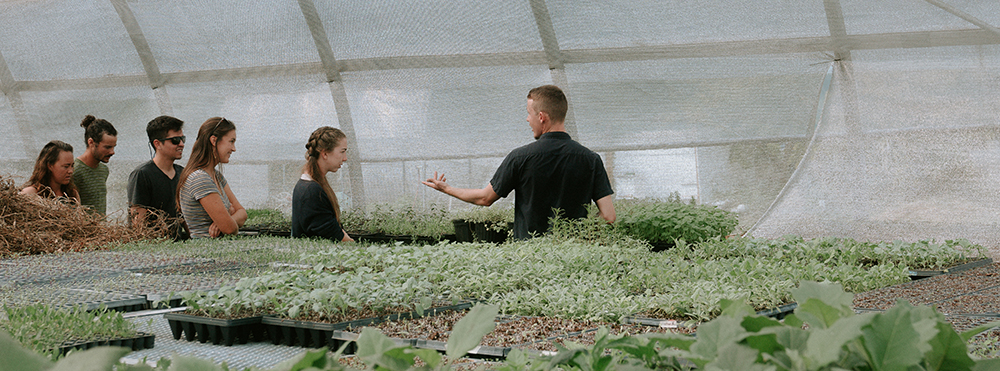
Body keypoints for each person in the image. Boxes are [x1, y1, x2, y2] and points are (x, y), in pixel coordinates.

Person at [423, 85, 615, 239]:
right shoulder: (591, 160)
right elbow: (608, 216)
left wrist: (447, 189)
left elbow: (484, 198)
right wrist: (577, 236)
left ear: (541, 117)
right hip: (574, 260)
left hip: (529, 259)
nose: (527, 119)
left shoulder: (520, 158)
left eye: (529, 113)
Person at [176, 117, 247, 238]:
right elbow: (229, 229)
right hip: (206, 251)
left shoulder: (217, 176)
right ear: (214, 140)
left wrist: (227, 218)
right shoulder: (200, 179)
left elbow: (243, 213)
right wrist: (228, 216)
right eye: (231, 141)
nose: (234, 148)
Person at [127, 115, 188, 239]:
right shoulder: (142, 175)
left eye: (182, 139)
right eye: (175, 140)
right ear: (157, 144)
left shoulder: (182, 173)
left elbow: (186, 216)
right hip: (153, 248)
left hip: (179, 246)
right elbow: (138, 224)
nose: (181, 144)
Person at [291, 127, 354, 242]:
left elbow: (334, 230)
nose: (345, 158)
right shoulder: (311, 191)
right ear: (325, 154)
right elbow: (335, 236)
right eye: (342, 151)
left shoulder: (310, 184)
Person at [73, 115, 117, 215]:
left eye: (114, 147)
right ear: (91, 142)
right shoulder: (75, 170)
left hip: (101, 229)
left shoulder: (103, 170)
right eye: (107, 147)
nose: (112, 152)